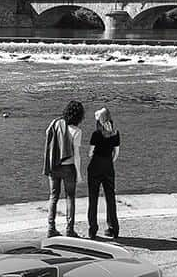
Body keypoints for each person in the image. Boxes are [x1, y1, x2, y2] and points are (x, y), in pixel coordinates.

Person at [43, 100, 85, 237]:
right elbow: (77, 155)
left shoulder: (56, 123)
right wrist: (79, 174)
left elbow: (48, 134)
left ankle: (51, 228)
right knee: (70, 198)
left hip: (54, 165)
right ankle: (70, 229)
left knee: (53, 197)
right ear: (79, 116)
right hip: (69, 168)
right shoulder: (77, 131)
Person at [87, 106, 121, 239]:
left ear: (99, 120)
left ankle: (93, 230)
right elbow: (116, 153)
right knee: (110, 198)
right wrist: (109, 161)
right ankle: (113, 228)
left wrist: (95, 157)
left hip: (95, 165)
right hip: (108, 166)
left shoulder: (96, 134)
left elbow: (90, 152)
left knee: (93, 198)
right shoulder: (116, 133)